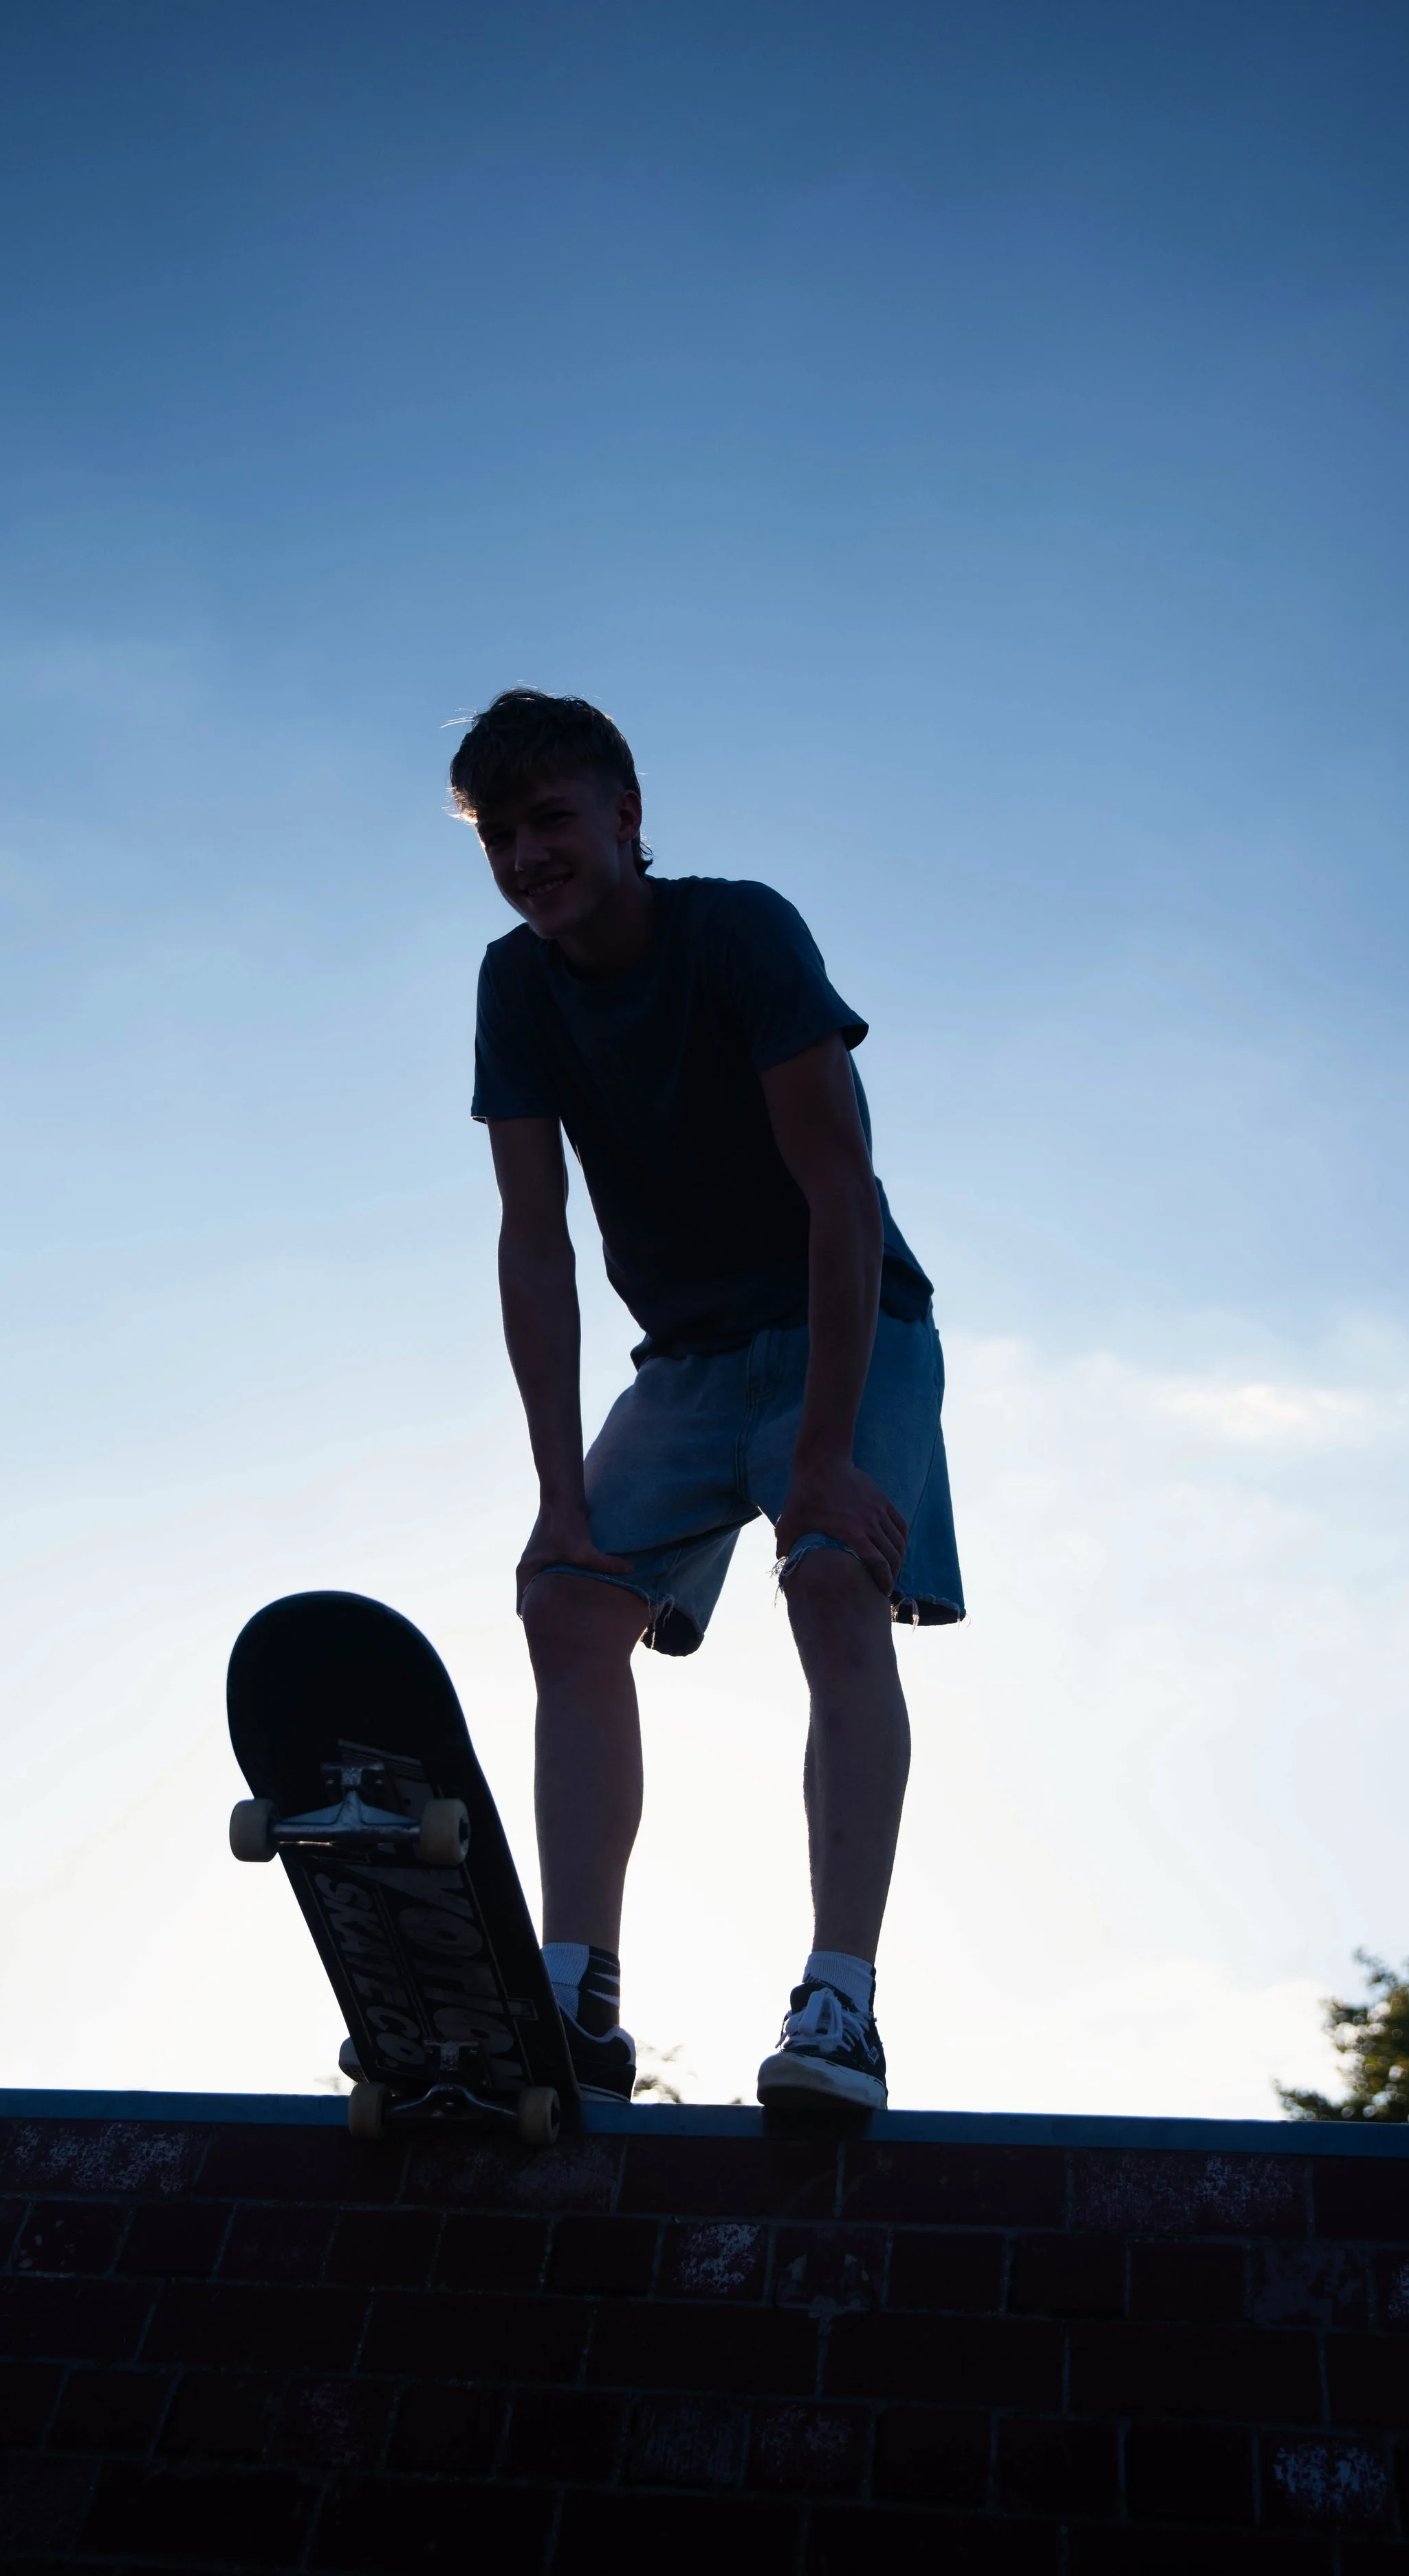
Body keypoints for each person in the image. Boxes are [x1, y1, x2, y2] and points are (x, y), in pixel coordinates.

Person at [458, 689, 963, 2109]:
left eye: (550, 821)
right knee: (564, 1597)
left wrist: (823, 1457)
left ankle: (839, 2004)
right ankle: (575, 1997)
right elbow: (533, 1243)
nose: (526, 857)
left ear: (626, 815)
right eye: (499, 838)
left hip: (845, 1322)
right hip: (685, 1358)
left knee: (829, 1578)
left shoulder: (739, 932)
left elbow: (839, 1195)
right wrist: (560, 1498)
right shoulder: (515, 986)